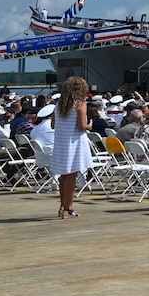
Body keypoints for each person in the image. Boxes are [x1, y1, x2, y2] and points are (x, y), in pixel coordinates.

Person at [49, 76, 94, 218]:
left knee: (63, 175)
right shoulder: (80, 104)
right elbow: (81, 126)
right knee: (72, 175)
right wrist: (89, 125)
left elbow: (53, 125)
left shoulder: (59, 105)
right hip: (74, 142)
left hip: (61, 142)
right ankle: (69, 208)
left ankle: (62, 205)